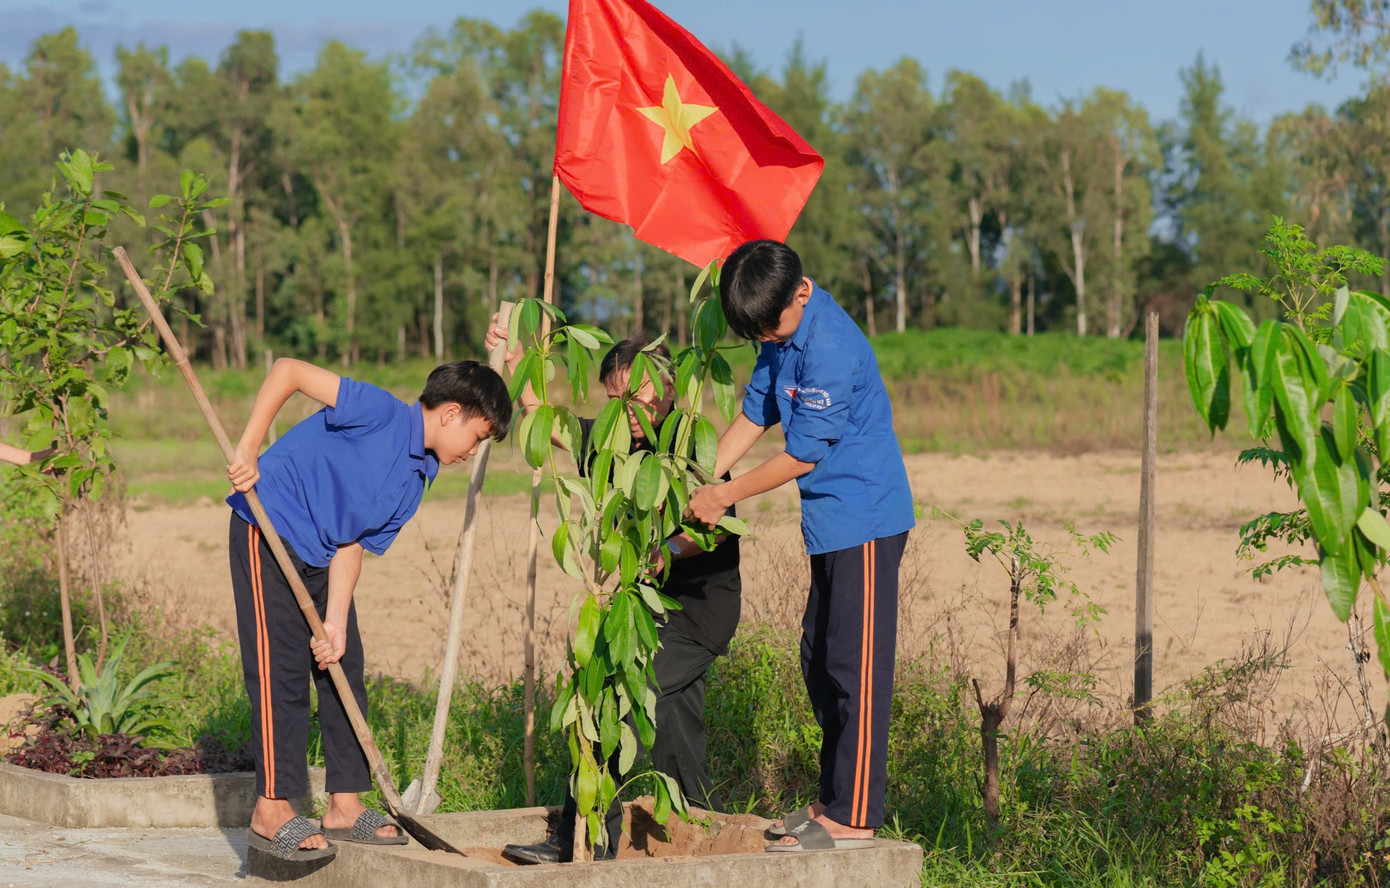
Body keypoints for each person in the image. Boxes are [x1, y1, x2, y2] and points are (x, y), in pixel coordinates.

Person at [225, 358, 511, 861]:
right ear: (449, 414)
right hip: (268, 526)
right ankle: (271, 808)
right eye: (477, 435)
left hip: (322, 556)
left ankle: (344, 805)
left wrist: (335, 621)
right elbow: (287, 371)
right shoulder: (377, 411)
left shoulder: (419, 475)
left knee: (342, 667)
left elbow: (352, 543)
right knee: (279, 674)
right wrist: (249, 446)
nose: (474, 450)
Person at [482, 323, 742, 864]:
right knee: (672, 718)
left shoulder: (693, 443)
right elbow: (540, 415)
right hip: (635, 610)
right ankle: (696, 827)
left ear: (668, 388)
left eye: (637, 396)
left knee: (612, 696)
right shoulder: (608, 443)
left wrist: (656, 555)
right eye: (614, 398)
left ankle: (585, 840)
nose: (625, 409)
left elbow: (712, 528)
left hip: (695, 614)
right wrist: (513, 357)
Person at [686, 240, 915, 853]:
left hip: (865, 519)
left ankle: (856, 816)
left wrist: (723, 495)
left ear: (803, 291)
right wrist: (699, 475)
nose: (771, 339)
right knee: (819, 658)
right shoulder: (779, 335)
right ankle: (832, 797)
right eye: (760, 333)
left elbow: (802, 453)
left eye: (775, 327)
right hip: (831, 524)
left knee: (855, 667)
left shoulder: (831, 347)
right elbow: (757, 413)